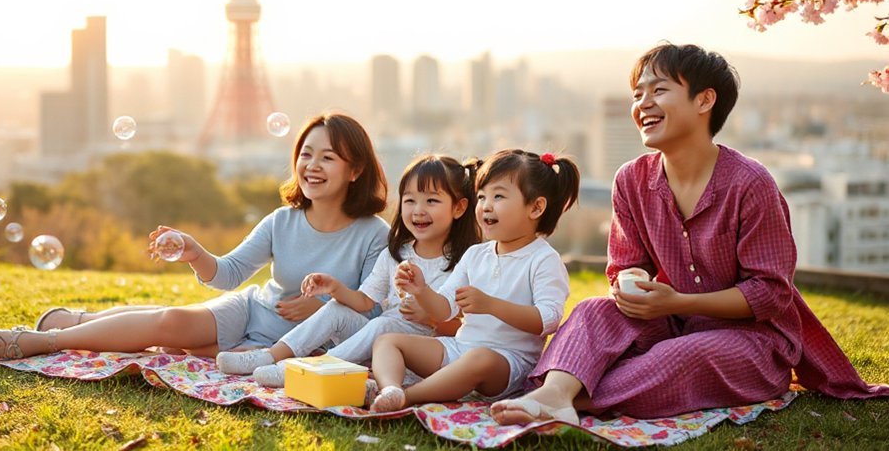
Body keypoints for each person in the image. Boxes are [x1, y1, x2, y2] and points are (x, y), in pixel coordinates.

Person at [491, 43, 889, 427]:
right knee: (593, 310)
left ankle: (572, 393)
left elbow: (771, 293)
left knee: (677, 357)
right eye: (637, 93)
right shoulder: (631, 179)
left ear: (704, 101)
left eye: (659, 90)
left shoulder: (751, 184)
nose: (643, 103)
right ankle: (556, 394)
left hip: (753, 345)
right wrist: (633, 288)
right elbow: (626, 266)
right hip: (672, 323)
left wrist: (679, 301)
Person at [0, 112, 390, 360]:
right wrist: (194, 252)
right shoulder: (282, 221)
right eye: (306, 153)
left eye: (328, 157)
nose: (312, 165)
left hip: (296, 348)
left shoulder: (375, 235)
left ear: (355, 171)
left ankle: (80, 321)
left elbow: (377, 315)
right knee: (171, 322)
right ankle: (49, 340)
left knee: (178, 344)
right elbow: (229, 274)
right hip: (253, 315)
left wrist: (323, 306)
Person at [215, 154, 482, 387]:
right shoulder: (396, 254)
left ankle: (303, 371)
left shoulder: (466, 262)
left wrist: (431, 317)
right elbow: (365, 302)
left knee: (384, 324)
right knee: (337, 310)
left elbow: (466, 329)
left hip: (417, 359)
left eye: (432, 201)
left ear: (458, 208)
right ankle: (270, 356)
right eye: (410, 200)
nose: (418, 210)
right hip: (375, 344)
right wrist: (334, 288)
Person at [368, 149, 580, 413]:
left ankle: (408, 397)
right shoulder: (475, 254)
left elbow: (548, 320)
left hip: (506, 363)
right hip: (461, 348)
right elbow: (445, 308)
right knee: (388, 340)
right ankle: (390, 388)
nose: (486, 205)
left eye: (498, 196)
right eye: (481, 197)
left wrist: (491, 305)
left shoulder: (543, 259)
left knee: (479, 359)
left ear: (536, 207)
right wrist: (421, 290)